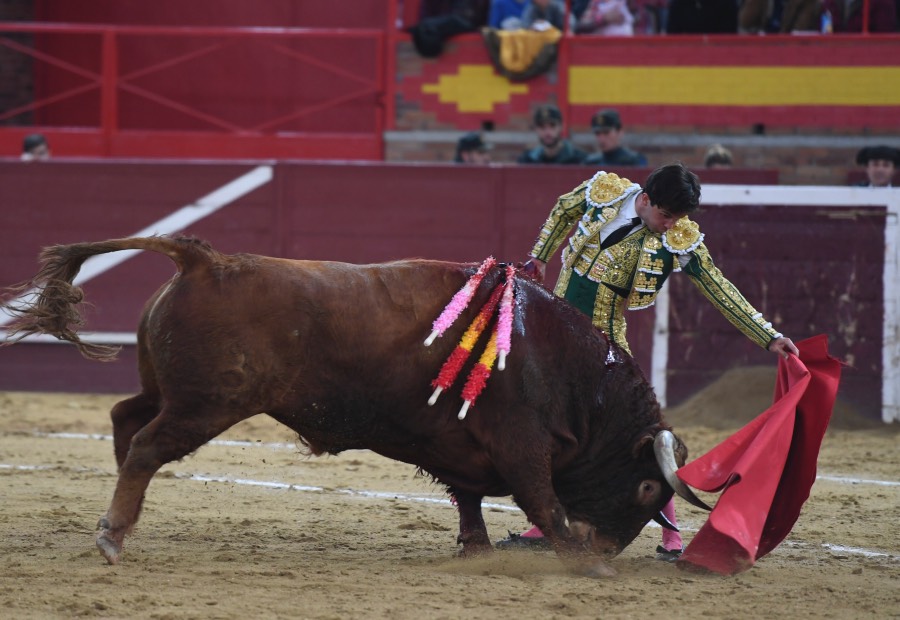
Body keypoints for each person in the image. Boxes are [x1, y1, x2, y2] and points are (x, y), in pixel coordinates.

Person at [500, 162, 798, 561]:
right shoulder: (603, 192)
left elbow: (716, 285)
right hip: (554, 337)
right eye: (666, 214)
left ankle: (672, 537)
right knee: (552, 426)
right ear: (644, 199)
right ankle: (545, 523)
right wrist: (539, 257)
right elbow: (564, 208)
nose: (671, 224)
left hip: (604, 347)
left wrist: (769, 336)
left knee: (639, 439)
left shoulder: (678, 239)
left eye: (678, 217)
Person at [517, 104, 588, 164]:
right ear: (535, 129)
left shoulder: (580, 160)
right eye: (542, 127)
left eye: (552, 126)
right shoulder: (527, 161)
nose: (547, 132)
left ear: (562, 126)